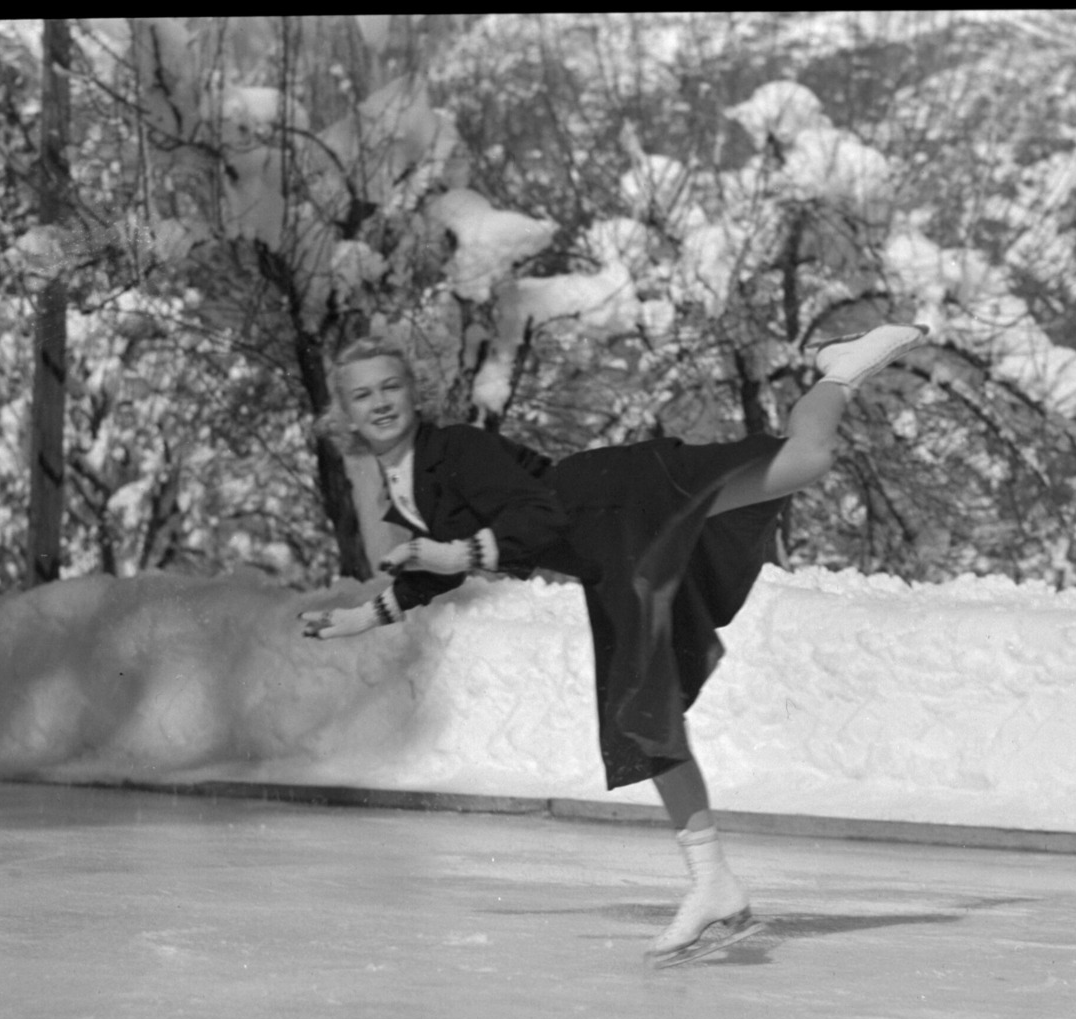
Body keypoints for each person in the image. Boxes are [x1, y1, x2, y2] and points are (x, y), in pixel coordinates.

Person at [298, 324, 928, 961]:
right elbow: (444, 564)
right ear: (343, 412)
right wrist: (365, 615)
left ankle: (839, 369)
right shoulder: (405, 482)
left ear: (412, 392)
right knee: (644, 714)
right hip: (610, 555)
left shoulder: (454, 448)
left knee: (806, 459)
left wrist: (453, 550)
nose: (379, 403)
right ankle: (715, 882)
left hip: (623, 500)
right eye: (362, 395)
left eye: (391, 387)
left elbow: (534, 518)